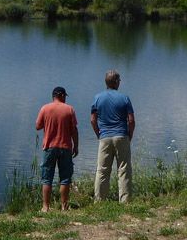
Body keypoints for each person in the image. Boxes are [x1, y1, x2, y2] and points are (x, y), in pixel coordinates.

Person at [90, 69, 135, 203]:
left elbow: (93, 119)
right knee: (124, 169)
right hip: (121, 135)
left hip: (104, 137)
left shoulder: (97, 98)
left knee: (102, 170)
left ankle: (99, 201)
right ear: (115, 82)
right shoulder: (124, 98)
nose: (120, 82)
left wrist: (99, 134)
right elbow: (131, 120)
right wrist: (129, 136)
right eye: (119, 80)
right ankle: (125, 201)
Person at [35, 86, 79, 212]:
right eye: (65, 96)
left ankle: (45, 207)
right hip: (65, 147)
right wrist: (76, 146)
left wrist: (48, 122)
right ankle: (64, 207)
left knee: (46, 178)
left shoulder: (45, 108)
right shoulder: (69, 109)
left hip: (49, 147)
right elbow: (74, 131)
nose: (65, 98)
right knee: (65, 178)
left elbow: (37, 126)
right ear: (61, 95)